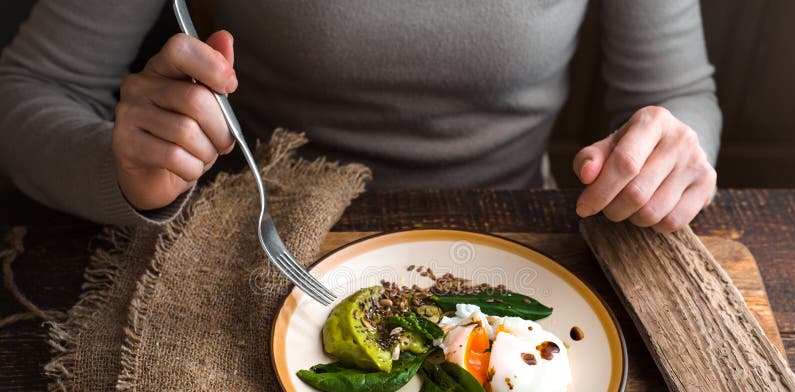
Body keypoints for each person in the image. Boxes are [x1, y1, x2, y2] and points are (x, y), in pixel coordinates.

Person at [0, 1, 720, 232]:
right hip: (258, 245)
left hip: (523, 245)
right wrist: (126, 172)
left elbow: (680, 92)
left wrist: (666, 161)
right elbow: (29, 89)